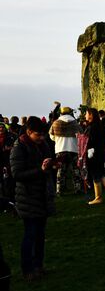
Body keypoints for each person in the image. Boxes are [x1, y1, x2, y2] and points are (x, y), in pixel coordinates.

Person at [10, 117, 56, 281]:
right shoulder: (19, 148)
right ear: (29, 132)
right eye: (38, 135)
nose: (42, 138)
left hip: (42, 195)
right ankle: (28, 269)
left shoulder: (42, 145)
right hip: (28, 197)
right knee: (30, 234)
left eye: (43, 135)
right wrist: (40, 170)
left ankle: (38, 266)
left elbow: (47, 163)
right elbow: (17, 174)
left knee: (40, 235)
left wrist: (52, 165)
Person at [83, 108, 105, 205]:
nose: (85, 115)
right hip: (100, 153)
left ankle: (98, 197)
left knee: (96, 175)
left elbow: (89, 142)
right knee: (100, 174)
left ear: (91, 115)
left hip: (93, 154)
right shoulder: (100, 126)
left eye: (86, 113)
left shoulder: (91, 128)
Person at [48, 106, 80, 195]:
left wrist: (58, 140)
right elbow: (80, 135)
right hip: (73, 148)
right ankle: (77, 188)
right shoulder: (75, 123)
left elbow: (51, 136)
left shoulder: (56, 123)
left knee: (60, 171)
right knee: (75, 170)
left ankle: (59, 190)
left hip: (60, 149)